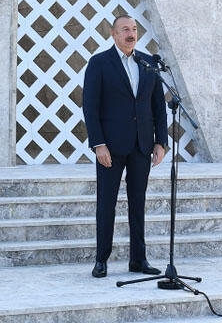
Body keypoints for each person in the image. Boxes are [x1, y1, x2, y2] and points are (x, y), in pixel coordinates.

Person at [83, 14, 168, 278]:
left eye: (134, 29)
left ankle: (138, 260)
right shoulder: (99, 63)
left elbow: (158, 106)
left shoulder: (148, 63)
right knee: (106, 203)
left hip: (142, 145)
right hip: (110, 146)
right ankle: (101, 259)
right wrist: (99, 144)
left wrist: (161, 141)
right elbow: (90, 107)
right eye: (125, 30)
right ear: (114, 34)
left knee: (138, 203)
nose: (131, 34)